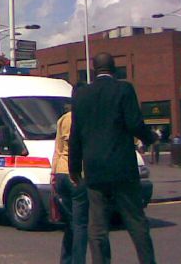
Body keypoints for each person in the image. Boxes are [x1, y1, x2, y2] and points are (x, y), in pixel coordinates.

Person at [69, 52, 157, 264]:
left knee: (97, 227)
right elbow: (135, 124)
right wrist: (151, 137)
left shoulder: (81, 96)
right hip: (122, 169)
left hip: (95, 170)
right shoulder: (124, 89)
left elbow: (76, 135)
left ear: (93, 70)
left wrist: (74, 168)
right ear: (114, 69)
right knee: (136, 223)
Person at [52, 89, 108, 264]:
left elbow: (58, 149)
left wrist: (53, 174)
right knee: (81, 225)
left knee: (70, 223)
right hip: (78, 174)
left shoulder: (63, 119)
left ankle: (65, 260)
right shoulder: (90, 118)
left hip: (61, 173)